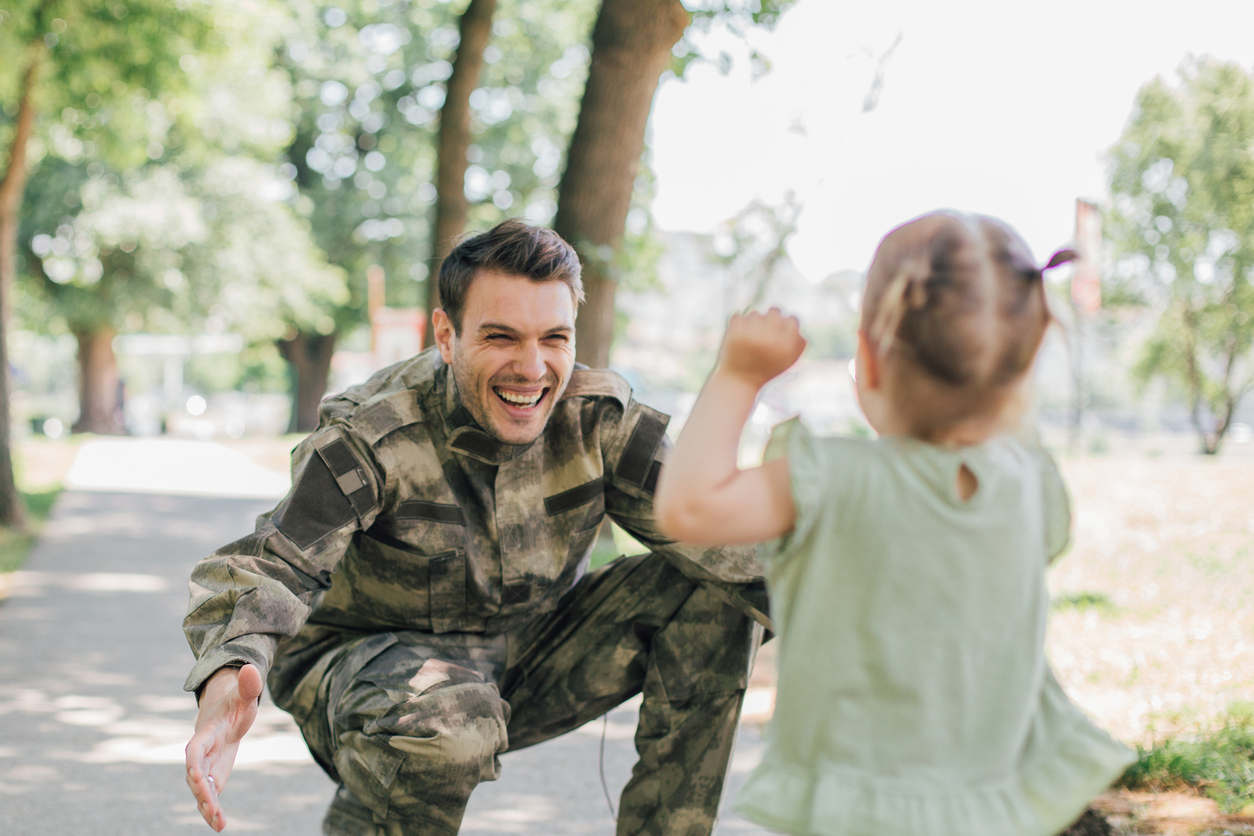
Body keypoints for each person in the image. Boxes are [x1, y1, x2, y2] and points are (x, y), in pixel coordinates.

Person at [183, 219, 770, 835]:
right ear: (446, 334)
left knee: (718, 589)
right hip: (367, 671)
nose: (532, 366)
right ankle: (381, 803)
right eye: (500, 337)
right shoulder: (375, 434)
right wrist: (226, 674)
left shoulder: (601, 424)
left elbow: (742, 548)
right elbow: (271, 563)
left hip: (533, 652)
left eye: (554, 338)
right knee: (449, 722)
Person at [654, 211, 1136, 836]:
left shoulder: (830, 480)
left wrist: (738, 375)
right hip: (1001, 804)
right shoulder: (1031, 483)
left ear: (870, 362)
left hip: (862, 811)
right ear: (1024, 363)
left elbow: (687, 507)